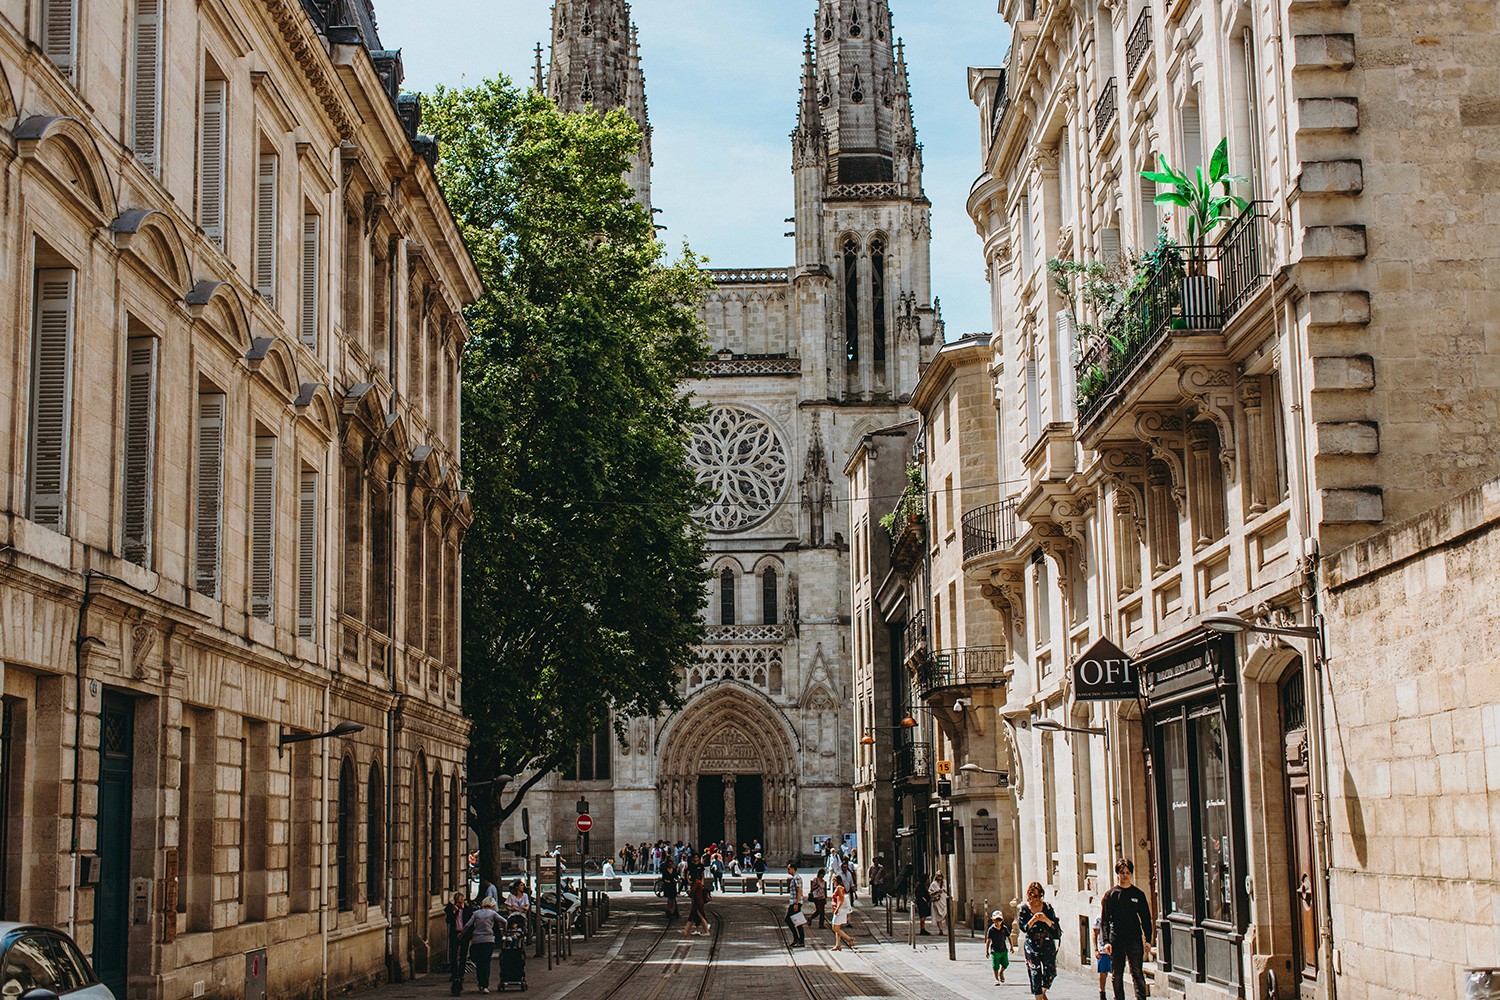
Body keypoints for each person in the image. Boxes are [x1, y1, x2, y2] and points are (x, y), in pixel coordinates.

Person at [1100, 859, 1154, 1000]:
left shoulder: (1138, 894)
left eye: (1128, 873)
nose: (1125, 875)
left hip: (1134, 938)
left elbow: (1146, 918)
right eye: (1122, 872)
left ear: (1131, 874)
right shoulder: (1110, 895)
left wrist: (1148, 939)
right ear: (1117, 874)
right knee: (1117, 974)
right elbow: (1104, 920)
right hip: (1116, 939)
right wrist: (1106, 941)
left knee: (1136, 972)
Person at [1018, 882, 1063, 999]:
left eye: (1038, 896)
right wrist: (1033, 920)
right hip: (1032, 944)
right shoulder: (1024, 909)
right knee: (1035, 971)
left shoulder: (1047, 907)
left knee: (1051, 972)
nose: (1036, 899)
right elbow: (1023, 927)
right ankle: (1038, 996)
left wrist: (1045, 919)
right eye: (1033, 896)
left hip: (1046, 942)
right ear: (1029, 895)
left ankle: (1042, 992)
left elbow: (1054, 926)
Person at [465, 896, 503, 994]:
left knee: (479, 962)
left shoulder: (476, 913)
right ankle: (485, 984)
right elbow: (504, 921)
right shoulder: (493, 914)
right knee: (486, 963)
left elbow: (468, 925)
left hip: (477, 940)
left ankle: (480, 982)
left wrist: (462, 934)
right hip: (488, 940)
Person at [445, 890, 474, 994]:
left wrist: (468, 935)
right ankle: (454, 974)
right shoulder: (451, 909)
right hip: (454, 933)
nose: (460, 904)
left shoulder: (467, 909)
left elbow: (471, 922)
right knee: (454, 955)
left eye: (461, 902)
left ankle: (461, 974)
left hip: (464, 934)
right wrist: (454, 911)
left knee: (463, 955)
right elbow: (448, 920)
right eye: (458, 902)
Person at [829, 874, 857, 951]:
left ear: (836, 880)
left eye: (833, 880)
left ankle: (849, 938)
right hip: (838, 910)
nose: (833, 882)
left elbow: (841, 899)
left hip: (840, 911)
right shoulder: (838, 888)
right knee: (837, 928)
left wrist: (837, 909)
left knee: (835, 928)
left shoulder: (839, 888)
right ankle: (838, 945)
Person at [986, 910, 1012, 986]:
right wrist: (987, 951)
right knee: (995, 965)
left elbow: (1009, 937)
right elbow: (988, 940)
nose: (998, 922)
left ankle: (1001, 972)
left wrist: (1011, 947)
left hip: (1003, 949)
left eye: (999, 920)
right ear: (993, 920)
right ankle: (996, 979)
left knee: (1006, 963)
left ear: (1002, 920)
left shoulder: (1004, 928)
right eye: (996, 920)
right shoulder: (991, 930)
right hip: (995, 950)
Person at [784, 863, 807, 947]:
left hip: (795, 903)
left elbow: (799, 890)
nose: (788, 870)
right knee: (797, 921)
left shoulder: (797, 878)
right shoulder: (794, 878)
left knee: (790, 920)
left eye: (789, 869)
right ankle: (799, 940)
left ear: (793, 869)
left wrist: (796, 903)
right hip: (794, 902)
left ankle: (798, 939)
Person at [684, 870, 711, 936]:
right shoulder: (698, 882)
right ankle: (685, 930)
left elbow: (692, 892)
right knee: (692, 916)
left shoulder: (697, 882)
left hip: (698, 902)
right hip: (697, 902)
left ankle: (707, 931)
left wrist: (689, 890)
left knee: (701, 916)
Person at [1093, 912, 1109, 1000]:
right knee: (1103, 973)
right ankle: (1102, 992)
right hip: (1103, 948)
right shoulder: (1099, 918)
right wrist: (1096, 949)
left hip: (1115, 948)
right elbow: (1094, 934)